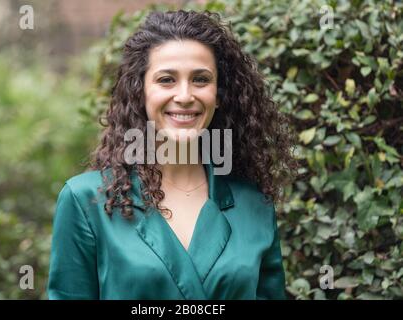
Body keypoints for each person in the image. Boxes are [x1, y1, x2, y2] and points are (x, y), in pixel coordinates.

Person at [47, 10, 298, 300]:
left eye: (201, 79)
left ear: (219, 94)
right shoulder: (85, 201)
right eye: (166, 80)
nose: (184, 95)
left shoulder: (253, 204)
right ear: (140, 91)